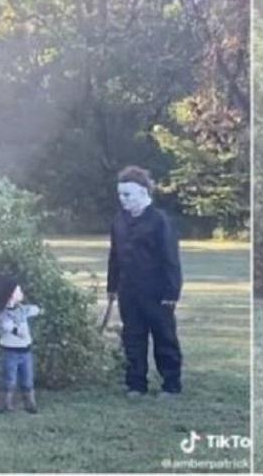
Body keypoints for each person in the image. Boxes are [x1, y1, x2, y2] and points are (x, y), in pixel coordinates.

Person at [107, 165, 183, 398]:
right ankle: (136, 384)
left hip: (157, 293)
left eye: (127, 194)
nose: (123, 199)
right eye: (120, 194)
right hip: (128, 292)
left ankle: (171, 385)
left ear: (143, 192)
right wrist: (112, 287)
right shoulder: (119, 221)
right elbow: (114, 256)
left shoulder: (160, 221)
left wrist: (171, 294)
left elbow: (171, 260)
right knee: (133, 338)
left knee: (164, 338)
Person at [0, 275, 43, 413]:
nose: (21, 293)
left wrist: (40, 310)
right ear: (10, 295)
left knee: (27, 379)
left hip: (25, 351)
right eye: (18, 291)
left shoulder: (22, 309)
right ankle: (5, 405)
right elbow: (6, 326)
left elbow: (32, 310)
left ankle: (30, 403)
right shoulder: (2, 314)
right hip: (9, 351)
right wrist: (17, 331)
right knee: (9, 379)